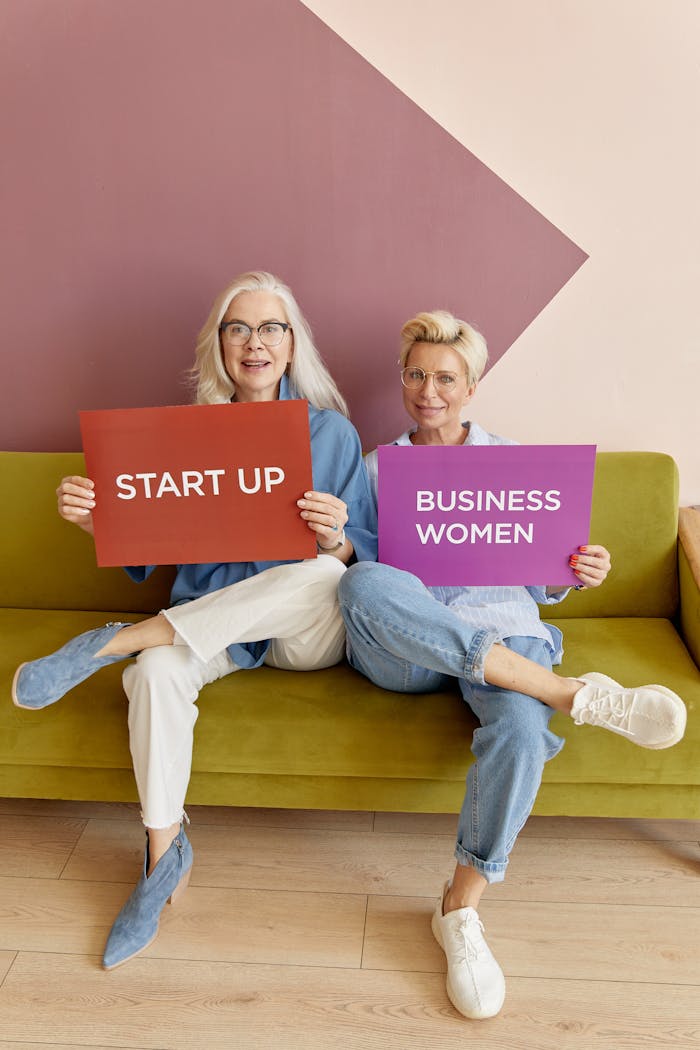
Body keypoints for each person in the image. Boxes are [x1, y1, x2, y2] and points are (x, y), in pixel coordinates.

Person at [12, 271, 376, 970]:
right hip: (208, 627)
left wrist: (338, 537)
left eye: (271, 327)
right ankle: (160, 859)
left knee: (330, 574)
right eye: (238, 328)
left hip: (302, 632)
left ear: (293, 344)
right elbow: (147, 553)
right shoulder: (185, 434)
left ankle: (113, 642)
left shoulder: (332, 434)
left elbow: (371, 564)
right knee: (152, 675)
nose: (255, 342)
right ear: (219, 345)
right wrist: (96, 523)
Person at [336, 309, 686, 1021]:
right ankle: (566, 692)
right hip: (410, 651)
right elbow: (365, 572)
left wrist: (575, 571)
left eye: (444, 377)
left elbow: (543, 582)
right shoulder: (376, 467)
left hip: (504, 630)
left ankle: (459, 909)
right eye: (415, 374)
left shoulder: (513, 461)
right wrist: (337, 542)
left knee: (523, 734)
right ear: (401, 379)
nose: (427, 390)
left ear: (472, 385)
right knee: (358, 583)